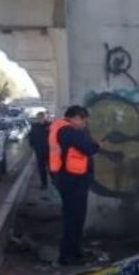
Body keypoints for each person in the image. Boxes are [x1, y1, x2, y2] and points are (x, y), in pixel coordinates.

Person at [49, 105, 99, 266]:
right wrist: (96, 144)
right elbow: (89, 147)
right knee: (74, 218)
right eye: (83, 120)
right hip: (72, 180)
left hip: (65, 178)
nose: (85, 123)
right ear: (76, 117)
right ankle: (68, 255)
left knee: (73, 217)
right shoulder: (69, 131)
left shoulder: (58, 128)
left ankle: (74, 251)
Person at [29, 112, 51, 189]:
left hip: (49, 151)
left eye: (41, 118)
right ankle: (44, 184)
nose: (40, 119)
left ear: (44, 118)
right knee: (41, 168)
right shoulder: (34, 126)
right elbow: (31, 137)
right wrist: (32, 146)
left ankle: (55, 182)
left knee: (51, 168)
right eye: (38, 118)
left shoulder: (49, 125)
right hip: (39, 150)